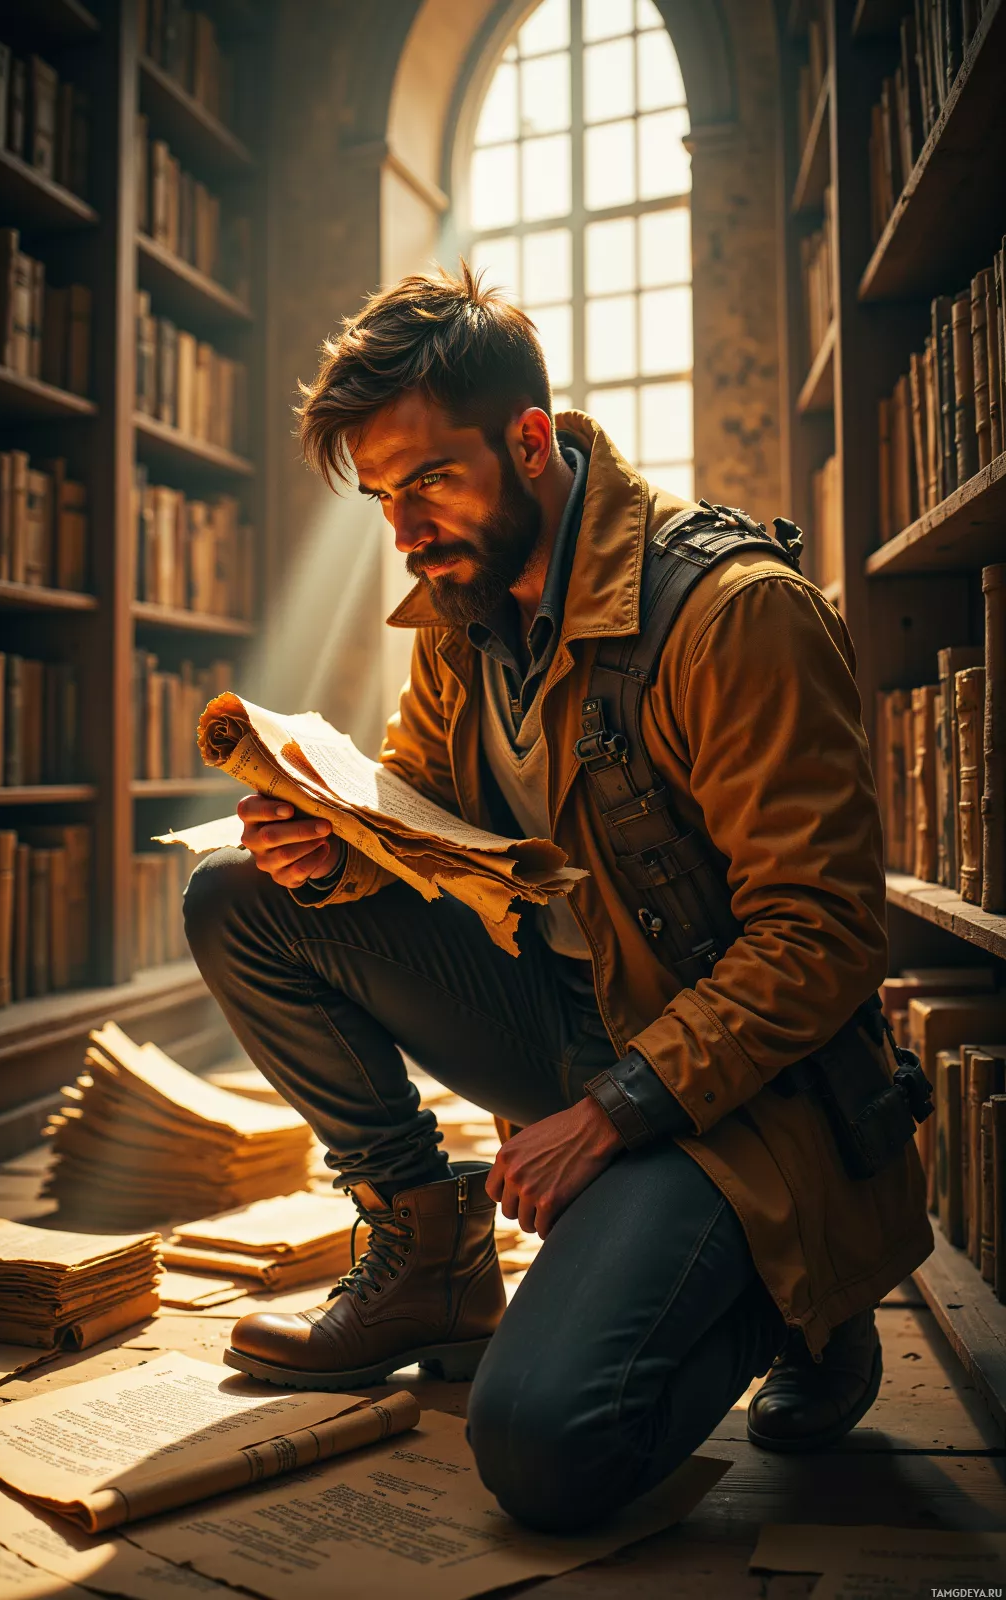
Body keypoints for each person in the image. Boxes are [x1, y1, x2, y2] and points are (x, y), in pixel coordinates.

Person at [183, 265, 932, 1534]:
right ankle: (429, 1251)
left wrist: (609, 1114)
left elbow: (824, 935)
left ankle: (807, 1294)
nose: (405, 527)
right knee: (235, 896)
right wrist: (331, 849)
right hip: (569, 1018)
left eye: (429, 480)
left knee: (542, 1449)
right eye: (383, 497)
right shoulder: (463, 609)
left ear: (530, 441)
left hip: (743, 1092)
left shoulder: (735, 615)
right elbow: (427, 814)